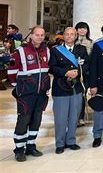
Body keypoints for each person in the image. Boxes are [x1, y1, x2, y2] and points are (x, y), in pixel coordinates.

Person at [7, 26, 49, 162]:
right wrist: (17, 87)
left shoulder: (46, 51)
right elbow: (12, 71)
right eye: (37, 35)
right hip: (26, 94)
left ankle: (31, 145)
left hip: (41, 93)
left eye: (42, 35)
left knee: (36, 120)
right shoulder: (20, 51)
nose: (40, 37)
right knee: (23, 120)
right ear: (31, 35)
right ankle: (19, 149)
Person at [49, 27, 88, 154]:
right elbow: (51, 68)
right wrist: (66, 72)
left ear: (76, 36)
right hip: (60, 87)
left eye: (72, 34)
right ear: (63, 36)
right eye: (67, 34)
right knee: (60, 117)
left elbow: (87, 64)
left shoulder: (81, 49)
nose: (69, 36)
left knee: (74, 116)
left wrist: (77, 72)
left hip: (76, 87)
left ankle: (71, 141)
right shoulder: (55, 50)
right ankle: (60, 143)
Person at [74, 21, 93, 127]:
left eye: (84, 28)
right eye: (79, 28)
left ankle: (81, 117)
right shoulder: (72, 41)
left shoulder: (91, 43)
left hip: (86, 71)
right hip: (73, 72)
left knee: (82, 95)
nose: (82, 30)